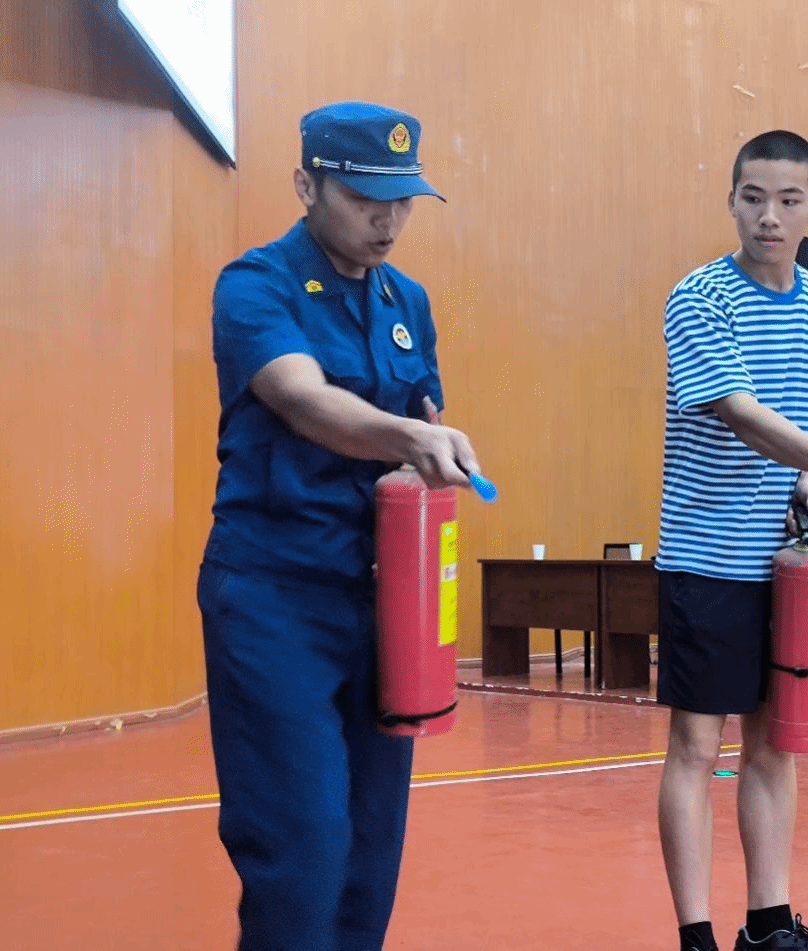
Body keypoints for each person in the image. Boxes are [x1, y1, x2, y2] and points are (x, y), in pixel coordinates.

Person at [197, 102, 483, 951]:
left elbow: (423, 417)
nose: (386, 220)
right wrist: (408, 438)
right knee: (302, 846)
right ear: (306, 184)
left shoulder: (408, 301)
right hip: (275, 597)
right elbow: (302, 397)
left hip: (384, 601)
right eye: (363, 198)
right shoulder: (256, 285)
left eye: (401, 201)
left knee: (370, 854)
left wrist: (430, 446)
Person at [655, 129, 808, 951]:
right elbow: (741, 413)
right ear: (730, 200)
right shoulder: (699, 298)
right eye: (753, 198)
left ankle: (768, 924)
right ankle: (696, 937)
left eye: (789, 200)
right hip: (707, 556)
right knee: (697, 745)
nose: (769, 216)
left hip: (786, 567)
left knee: (773, 741)